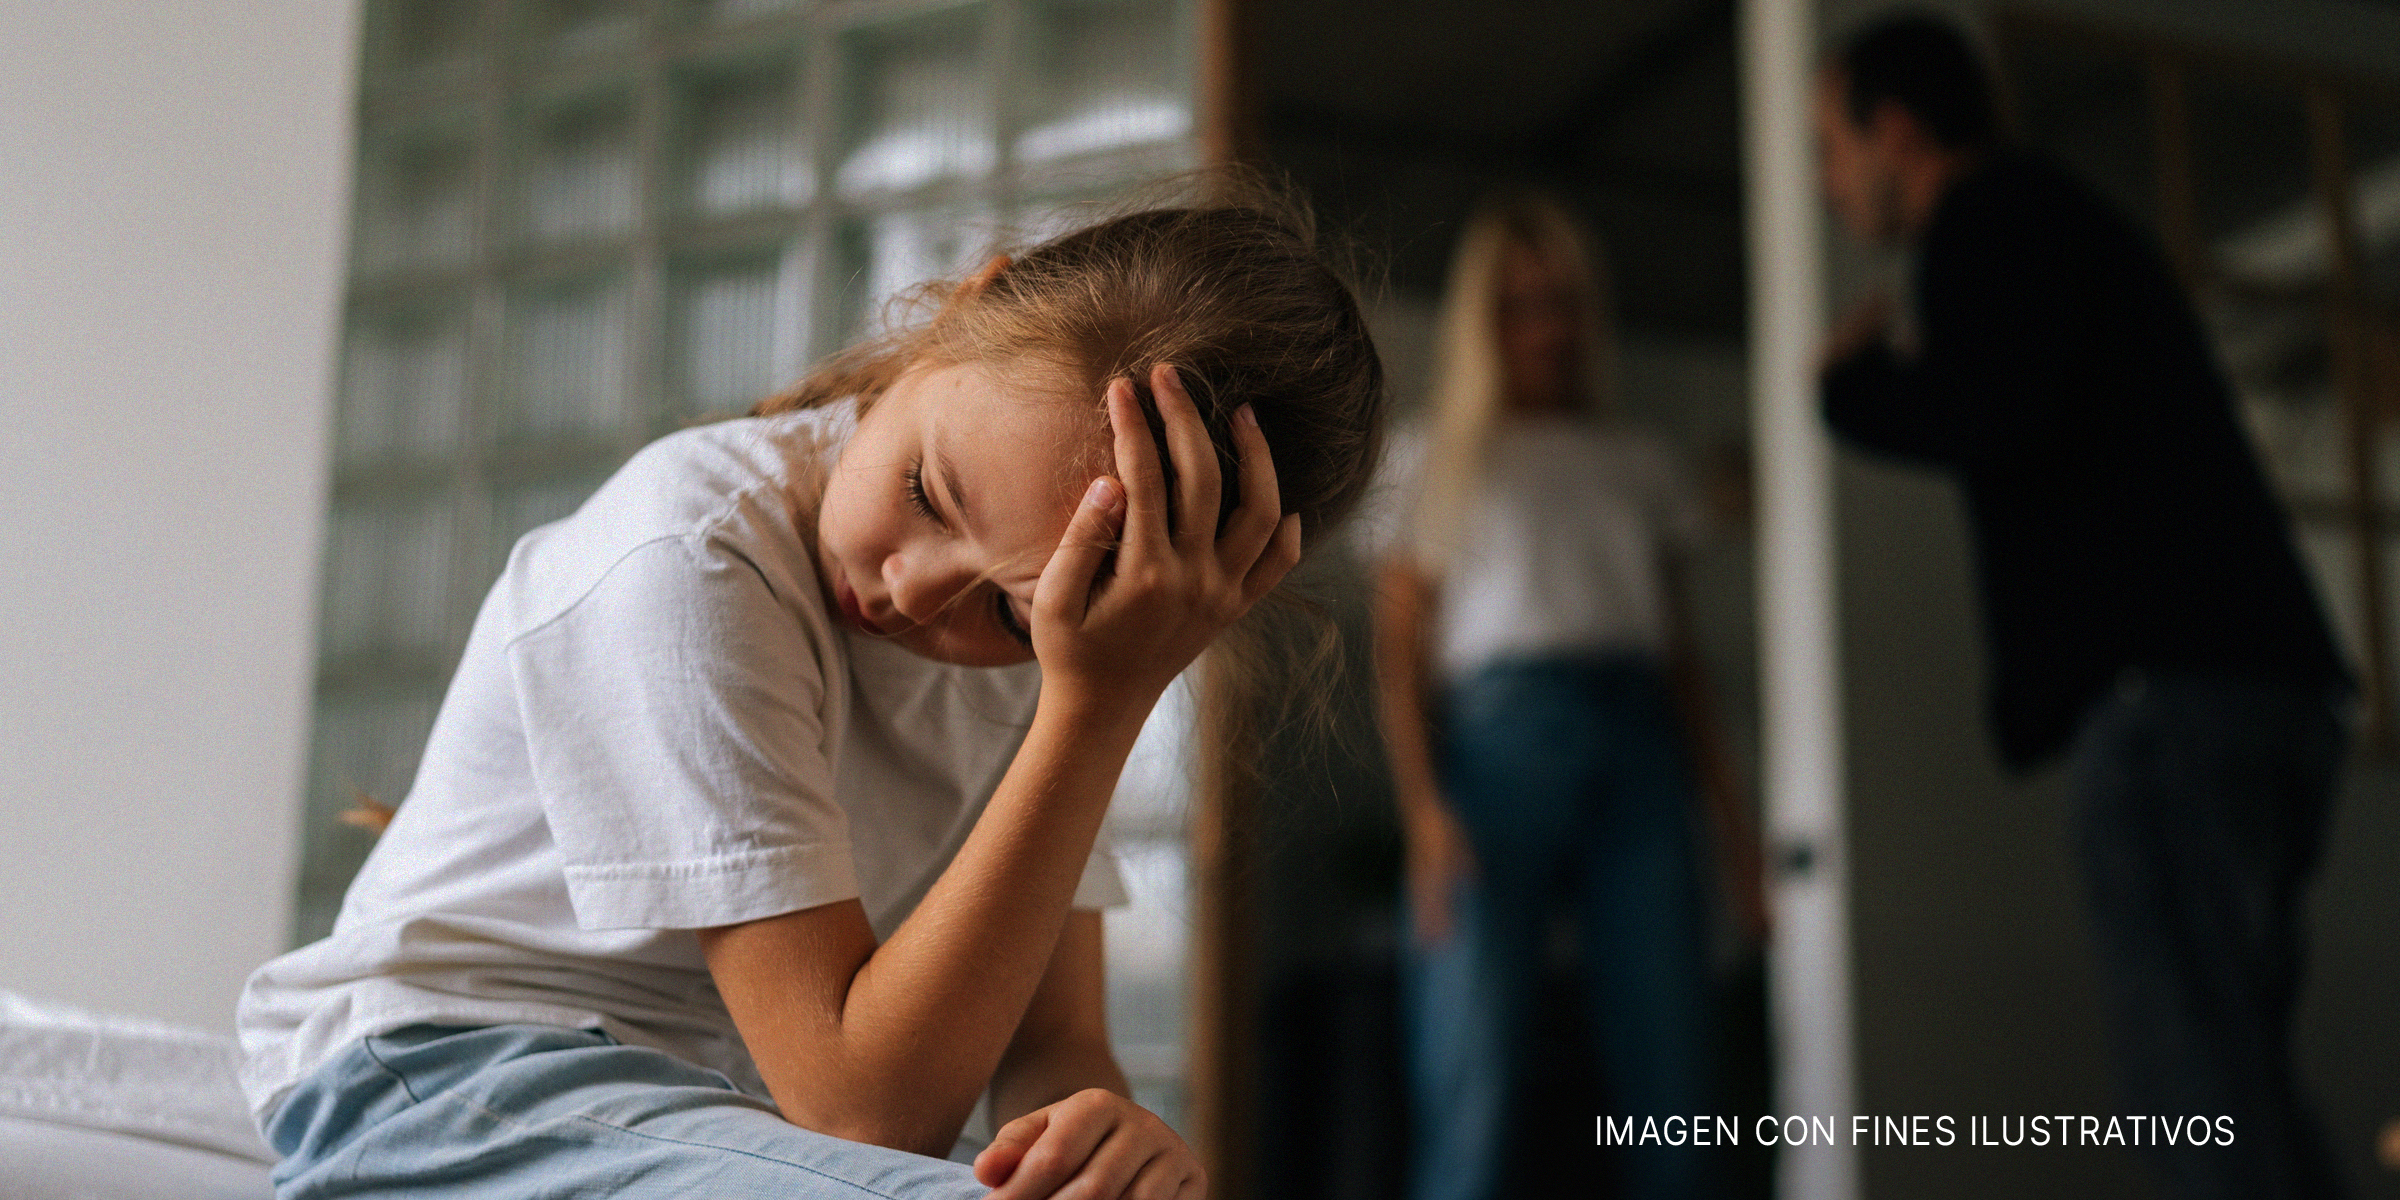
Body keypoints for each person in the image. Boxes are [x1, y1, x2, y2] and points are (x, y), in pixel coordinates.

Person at [236, 190, 1386, 1200]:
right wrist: (1097, 708)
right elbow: (864, 1112)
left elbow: (1056, 1040)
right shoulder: (688, 556)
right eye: (931, 494)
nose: (908, 591)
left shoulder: (1071, 650)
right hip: (435, 1084)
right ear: (955, 315)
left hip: (712, 1113)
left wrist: (1098, 1142)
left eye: (1007, 614)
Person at [1815, 14, 2354, 1199]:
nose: (1827, 181)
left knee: (2196, 1094)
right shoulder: (2063, 220)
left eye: (1829, 145)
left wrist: (1850, 390)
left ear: (1895, 132)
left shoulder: (1985, 223)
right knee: (2239, 1081)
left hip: (2170, 705)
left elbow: (1990, 413)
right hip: (2263, 690)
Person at [1369, 190, 1761, 1200]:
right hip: (1501, 751)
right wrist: (1423, 815)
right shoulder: (1432, 458)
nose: (1545, 326)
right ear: (1481, 319)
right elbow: (1398, 658)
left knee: (1673, 1065)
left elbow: (1682, 659)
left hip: (1640, 746)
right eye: (1518, 303)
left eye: (1562, 301)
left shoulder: (1639, 461)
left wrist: (1732, 825)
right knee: (1473, 1062)